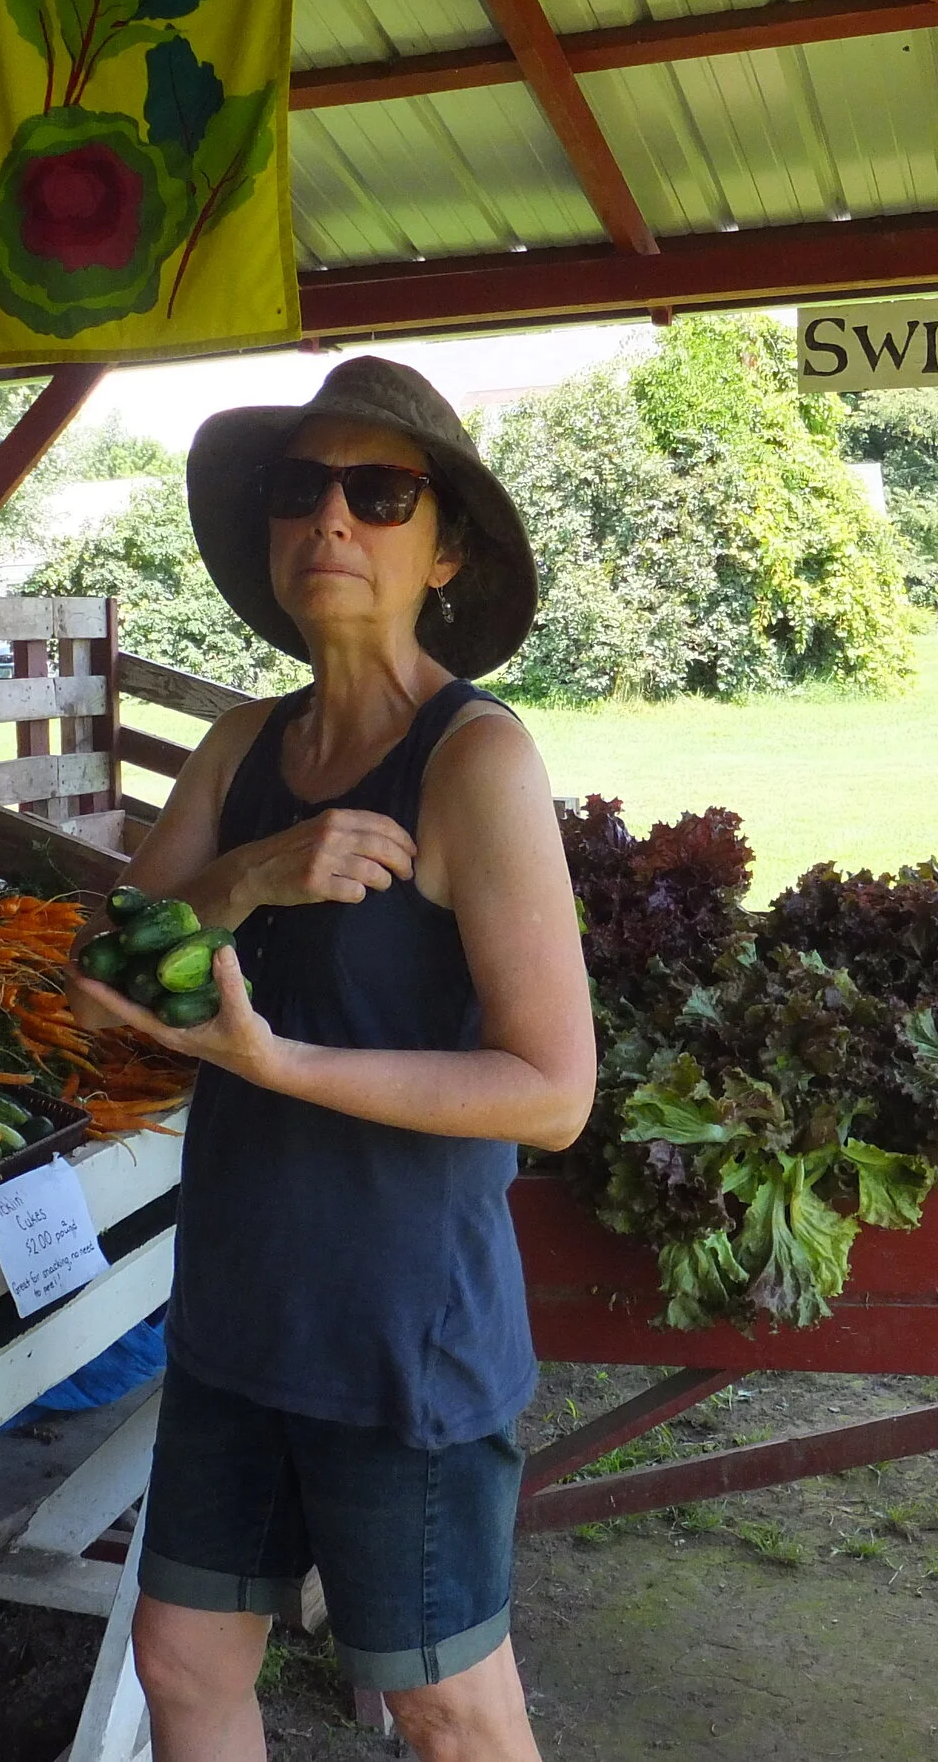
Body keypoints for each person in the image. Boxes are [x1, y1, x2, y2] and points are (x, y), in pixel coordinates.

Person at [69, 356, 596, 1762]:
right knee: (181, 1661)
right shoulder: (242, 747)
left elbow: (552, 1089)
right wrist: (247, 872)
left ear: (447, 548)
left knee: (444, 1701)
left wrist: (275, 1059)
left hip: (398, 1330)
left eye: (380, 492)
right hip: (241, 1302)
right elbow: (100, 985)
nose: (333, 522)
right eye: (302, 490)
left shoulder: (473, 760)